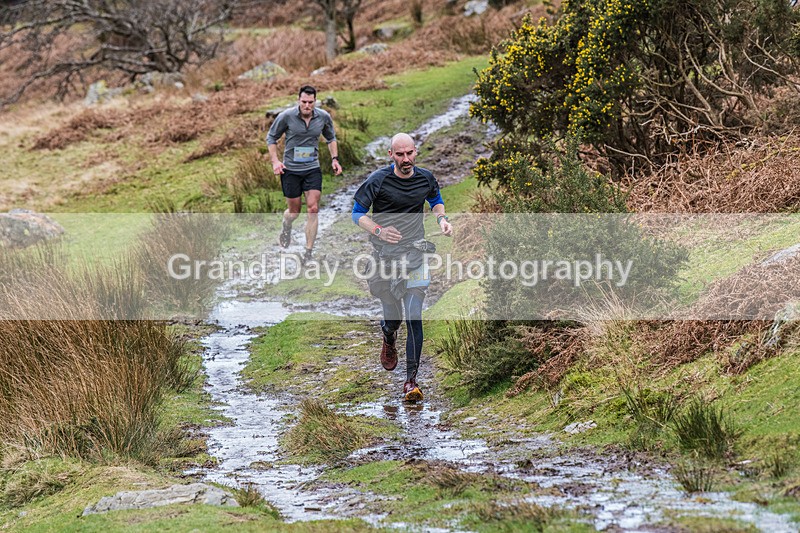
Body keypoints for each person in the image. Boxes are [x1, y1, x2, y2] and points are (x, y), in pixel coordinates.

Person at [351, 133, 453, 402]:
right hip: (385, 257)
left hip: (416, 254)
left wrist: (442, 219)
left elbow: (435, 198)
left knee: (415, 315)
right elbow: (357, 214)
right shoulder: (378, 180)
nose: (406, 159)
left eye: (410, 153)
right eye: (400, 155)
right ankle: (388, 335)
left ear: (415, 152)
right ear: (391, 155)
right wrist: (379, 230)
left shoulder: (425, 177)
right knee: (394, 319)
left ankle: (411, 381)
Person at [267, 85, 342, 263]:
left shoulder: (323, 117)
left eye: (310, 102)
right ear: (298, 101)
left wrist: (335, 159)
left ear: (315, 101)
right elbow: (271, 137)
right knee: (294, 212)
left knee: (313, 208)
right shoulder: (286, 116)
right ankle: (286, 226)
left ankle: (308, 253)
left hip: (312, 169)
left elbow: (331, 138)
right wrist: (276, 161)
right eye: (304, 102)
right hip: (291, 170)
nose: (307, 105)